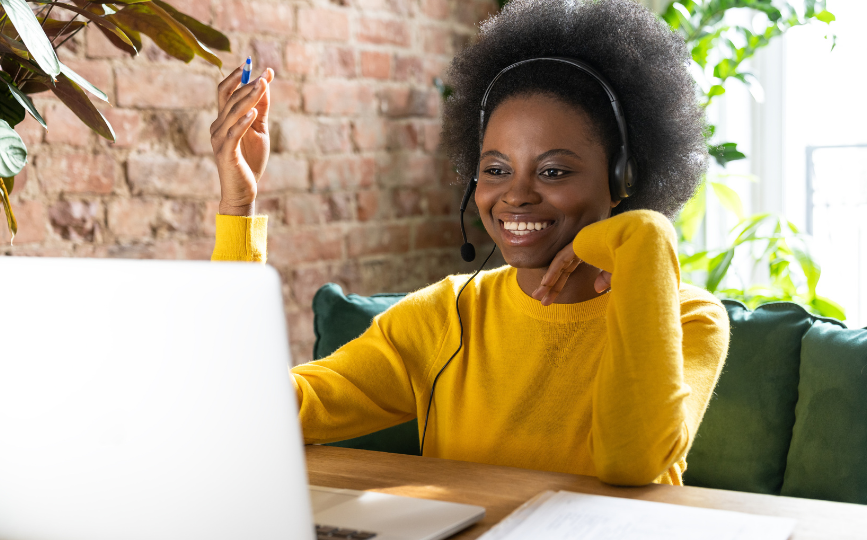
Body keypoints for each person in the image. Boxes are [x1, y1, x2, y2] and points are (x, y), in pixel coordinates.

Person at [209, 0, 729, 487]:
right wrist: (238, 205)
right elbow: (252, 412)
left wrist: (645, 234)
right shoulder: (448, 316)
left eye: (553, 170)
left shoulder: (689, 320)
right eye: (496, 170)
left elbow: (631, 461)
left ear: (623, 178)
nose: (516, 195)